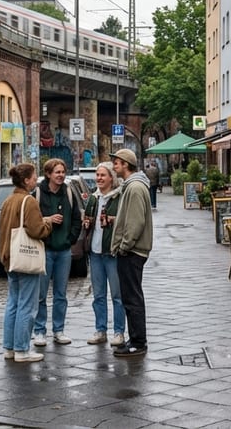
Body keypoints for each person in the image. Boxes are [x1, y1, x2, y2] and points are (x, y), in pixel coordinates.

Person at [0, 163, 52, 363]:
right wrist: (47, 224)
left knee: (12, 303)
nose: (36, 179)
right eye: (34, 176)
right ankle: (22, 349)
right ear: (27, 180)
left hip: (10, 257)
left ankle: (9, 348)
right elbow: (36, 230)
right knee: (27, 305)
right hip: (25, 258)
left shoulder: (8, 200)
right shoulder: (28, 201)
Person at [31, 158, 83, 346]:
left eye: (63, 172)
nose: (61, 175)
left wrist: (71, 239)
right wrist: (48, 219)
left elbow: (77, 218)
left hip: (63, 251)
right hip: (44, 249)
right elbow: (32, 220)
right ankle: (39, 331)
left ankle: (59, 330)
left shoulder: (68, 192)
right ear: (48, 174)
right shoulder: (37, 193)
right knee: (41, 294)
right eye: (57, 172)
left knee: (61, 293)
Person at [110, 148, 153, 357]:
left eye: (117, 162)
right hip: (133, 250)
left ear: (126, 164)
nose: (114, 166)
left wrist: (124, 246)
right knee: (131, 296)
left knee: (132, 297)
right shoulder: (132, 185)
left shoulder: (135, 187)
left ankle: (138, 341)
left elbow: (135, 222)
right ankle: (135, 338)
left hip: (132, 251)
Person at [82, 161, 125, 346]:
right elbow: (89, 220)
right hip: (95, 252)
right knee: (98, 295)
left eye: (102, 175)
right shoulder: (93, 199)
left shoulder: (119, 198)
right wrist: (87, 223)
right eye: (97, 175)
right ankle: (100, 330)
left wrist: (112, 220)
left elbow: (125, 222)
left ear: (111, 178)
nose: (98, 178)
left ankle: (119, 332)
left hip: (112, 252)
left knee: (117, 295)